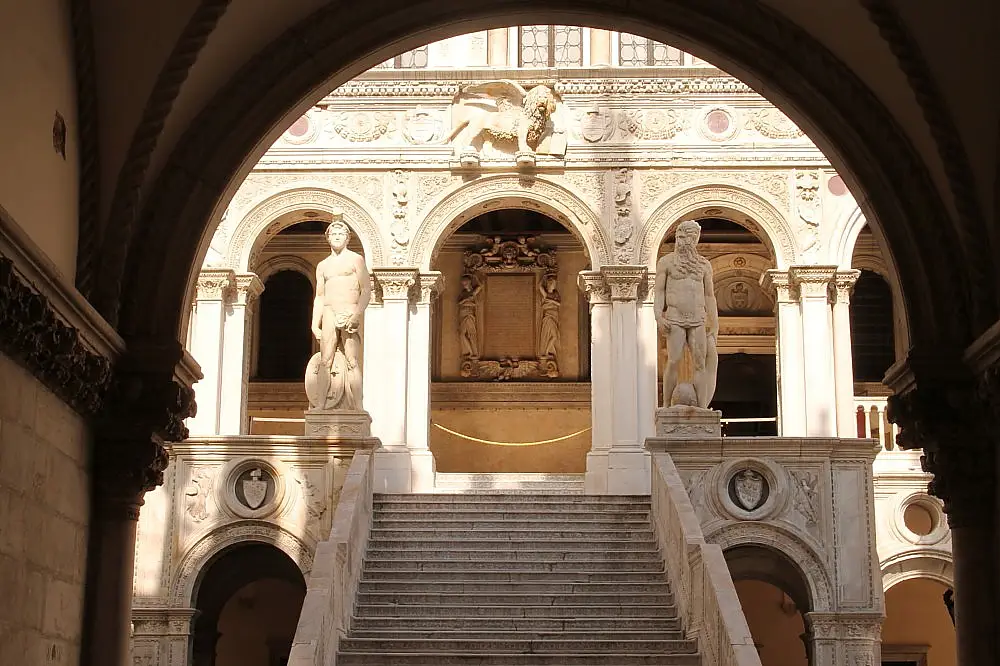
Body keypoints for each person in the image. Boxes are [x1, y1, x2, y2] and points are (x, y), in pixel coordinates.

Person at [652, 220, 719, 408]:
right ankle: (666, 406)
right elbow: (659, 291)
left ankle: (702, 408)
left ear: (695, 239)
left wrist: (715, 323)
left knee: (700, 364)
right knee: (673, 360)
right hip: (674, 317)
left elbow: (709, 296)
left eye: (690, 237)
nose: (685, 241)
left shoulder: (704, 265)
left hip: (698, 318)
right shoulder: (666, 262)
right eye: (681, 237)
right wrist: (658, 315)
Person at [310, 216, 371, 410]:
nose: (336, 236)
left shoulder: (356, 260)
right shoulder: (323, 265)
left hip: (349, 310)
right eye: (333, 234)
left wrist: (356, 315)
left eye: (341, 233)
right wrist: (314, 323)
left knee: (353, 361)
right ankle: (320, 405)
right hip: (329, 311)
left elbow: (366, 290)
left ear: (348, 238)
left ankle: (359, 406)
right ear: (327, 238)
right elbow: (319, 296)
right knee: (325, 361)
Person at [457, 274, 482, 358]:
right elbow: (459, 303)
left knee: (471, 334)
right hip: (462, 313)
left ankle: (474, 353)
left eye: (465, 282)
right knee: (462, 334)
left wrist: (475, 277)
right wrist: (466, 300)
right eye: (463, 283)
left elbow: (480, 286)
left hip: (469, 314)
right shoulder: (463, 293)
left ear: (469, 282)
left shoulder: (473, 292)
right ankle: (469, 352)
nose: (463, 284)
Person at [538, 274, 561, 360]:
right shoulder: (545, 294)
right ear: (550, 284)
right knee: (554, 336)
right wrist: (544, 276)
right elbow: (539, 286)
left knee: (555, 336)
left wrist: (550, 300)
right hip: (549, 317)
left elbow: (559, 303)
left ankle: (546, 352)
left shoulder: (555, 294)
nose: (554, 285)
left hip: (555, 316)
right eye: (553, 284)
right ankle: (546, 352)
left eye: (555, 284)